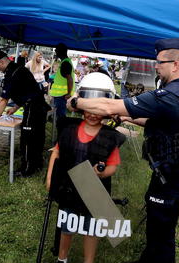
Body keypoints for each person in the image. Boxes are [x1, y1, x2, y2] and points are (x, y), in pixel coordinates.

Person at [67, 38, 179, 263]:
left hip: (168, 178)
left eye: (160, 62)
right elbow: (160, 123)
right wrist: (125, 116)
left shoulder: (167, 97)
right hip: (178, 171)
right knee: (158, 227)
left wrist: (76, 102)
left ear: (176, 64)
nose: (156, 66)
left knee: (162, 236)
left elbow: (107, 105)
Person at [46, 72, 125, 263]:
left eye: (98, 110)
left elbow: (113, 166)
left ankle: (88, 260)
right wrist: (50, 178)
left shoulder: (109, 137)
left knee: (91, 229)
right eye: (89, 108)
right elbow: (56, 153)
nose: (92, 114)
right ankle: (62, 258)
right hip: (68, 188)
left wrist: (102, 173)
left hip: (95, 191)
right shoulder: (69, 130)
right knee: (67, 226)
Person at [0, 50, 50, 177]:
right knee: (38, 136)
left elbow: (3, 99)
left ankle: (27, 169)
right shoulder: (19, 68)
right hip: (39, 105)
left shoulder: (12, 73)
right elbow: (27, 90)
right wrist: (16, 107)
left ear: (1, 62)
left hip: (33, 107)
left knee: (28, 139)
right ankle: (37, 164)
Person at [49, 43, 75, 120]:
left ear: (60, 51)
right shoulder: (65, 62)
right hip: (61, 95)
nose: (55, 52)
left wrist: (69, 93)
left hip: (62, 95)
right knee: (60, 115)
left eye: (56, 50)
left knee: (61, 116)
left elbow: (70, 79)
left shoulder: (65, 63)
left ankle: (61, 130)